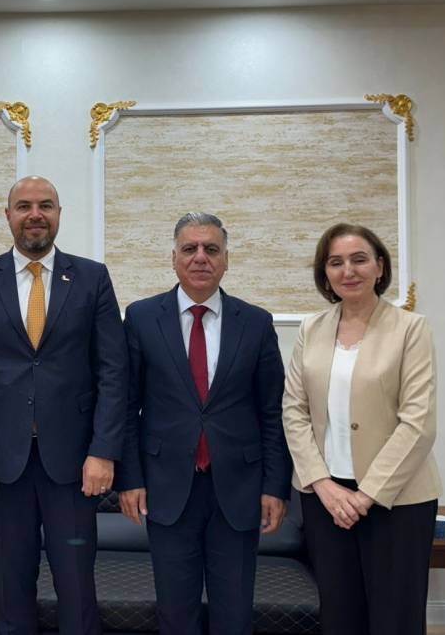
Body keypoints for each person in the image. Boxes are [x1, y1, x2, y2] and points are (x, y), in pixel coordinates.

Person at [0, 175, 127, 635]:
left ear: (59, 214)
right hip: (0, 465)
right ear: (7, 215)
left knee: (78, 587)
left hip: (75, 464)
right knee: (11, 587)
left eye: (45, 205)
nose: (35, 214)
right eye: (24, 206)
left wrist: (103, 451)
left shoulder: (92, 278)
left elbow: (113, 372)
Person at [116, 212, 293, 635]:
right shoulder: (141, 318)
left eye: (211, 249)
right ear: (173, 258)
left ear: (226, 260)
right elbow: (125, 406)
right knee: (175, 613)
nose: (200, 257)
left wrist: (275, 485)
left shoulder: (256, 322)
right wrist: (130, 478)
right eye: (189, 249)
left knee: (234, 613)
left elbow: (272, 412)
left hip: (239, 487)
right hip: (166, 485)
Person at [281, 223, 441, 635]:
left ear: (380, 266)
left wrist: (365, 495)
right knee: (339, 616)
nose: (348, 270)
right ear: (325, 273)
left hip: (397, 501)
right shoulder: (311, 329)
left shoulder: (411, 329)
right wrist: (323, 485)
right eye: (336, 262)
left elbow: (418, 422)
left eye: (359, 259)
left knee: (395, 619)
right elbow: (294, 411)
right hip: (325, 501)